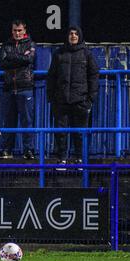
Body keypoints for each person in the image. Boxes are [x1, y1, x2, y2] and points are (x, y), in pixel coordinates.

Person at [47, 26, 99, 165]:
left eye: (76, 34)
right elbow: (51, 76)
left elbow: (93, 76)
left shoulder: (87, 54)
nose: (73, 36)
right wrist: (51, 97)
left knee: (79, 133)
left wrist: (90, 98)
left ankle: (80, 159)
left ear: (80, 36)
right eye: (71, 33)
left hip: (80, 100)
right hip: (61, 100)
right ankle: (62, 159)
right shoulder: (59, 53)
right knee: (60, 132)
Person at [0, 20, 36, 160]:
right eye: (15, 30)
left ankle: (29, 150)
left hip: (25, 87)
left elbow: (29, 59)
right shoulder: (6, 44)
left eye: (19, 30)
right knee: (8, 121)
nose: (17, 33)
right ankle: (7, 150)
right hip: (9, 88)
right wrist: (21, 58)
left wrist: (12, 56)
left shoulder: (30, 44)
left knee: (27, 121)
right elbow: (3, 62)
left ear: (24, 30)